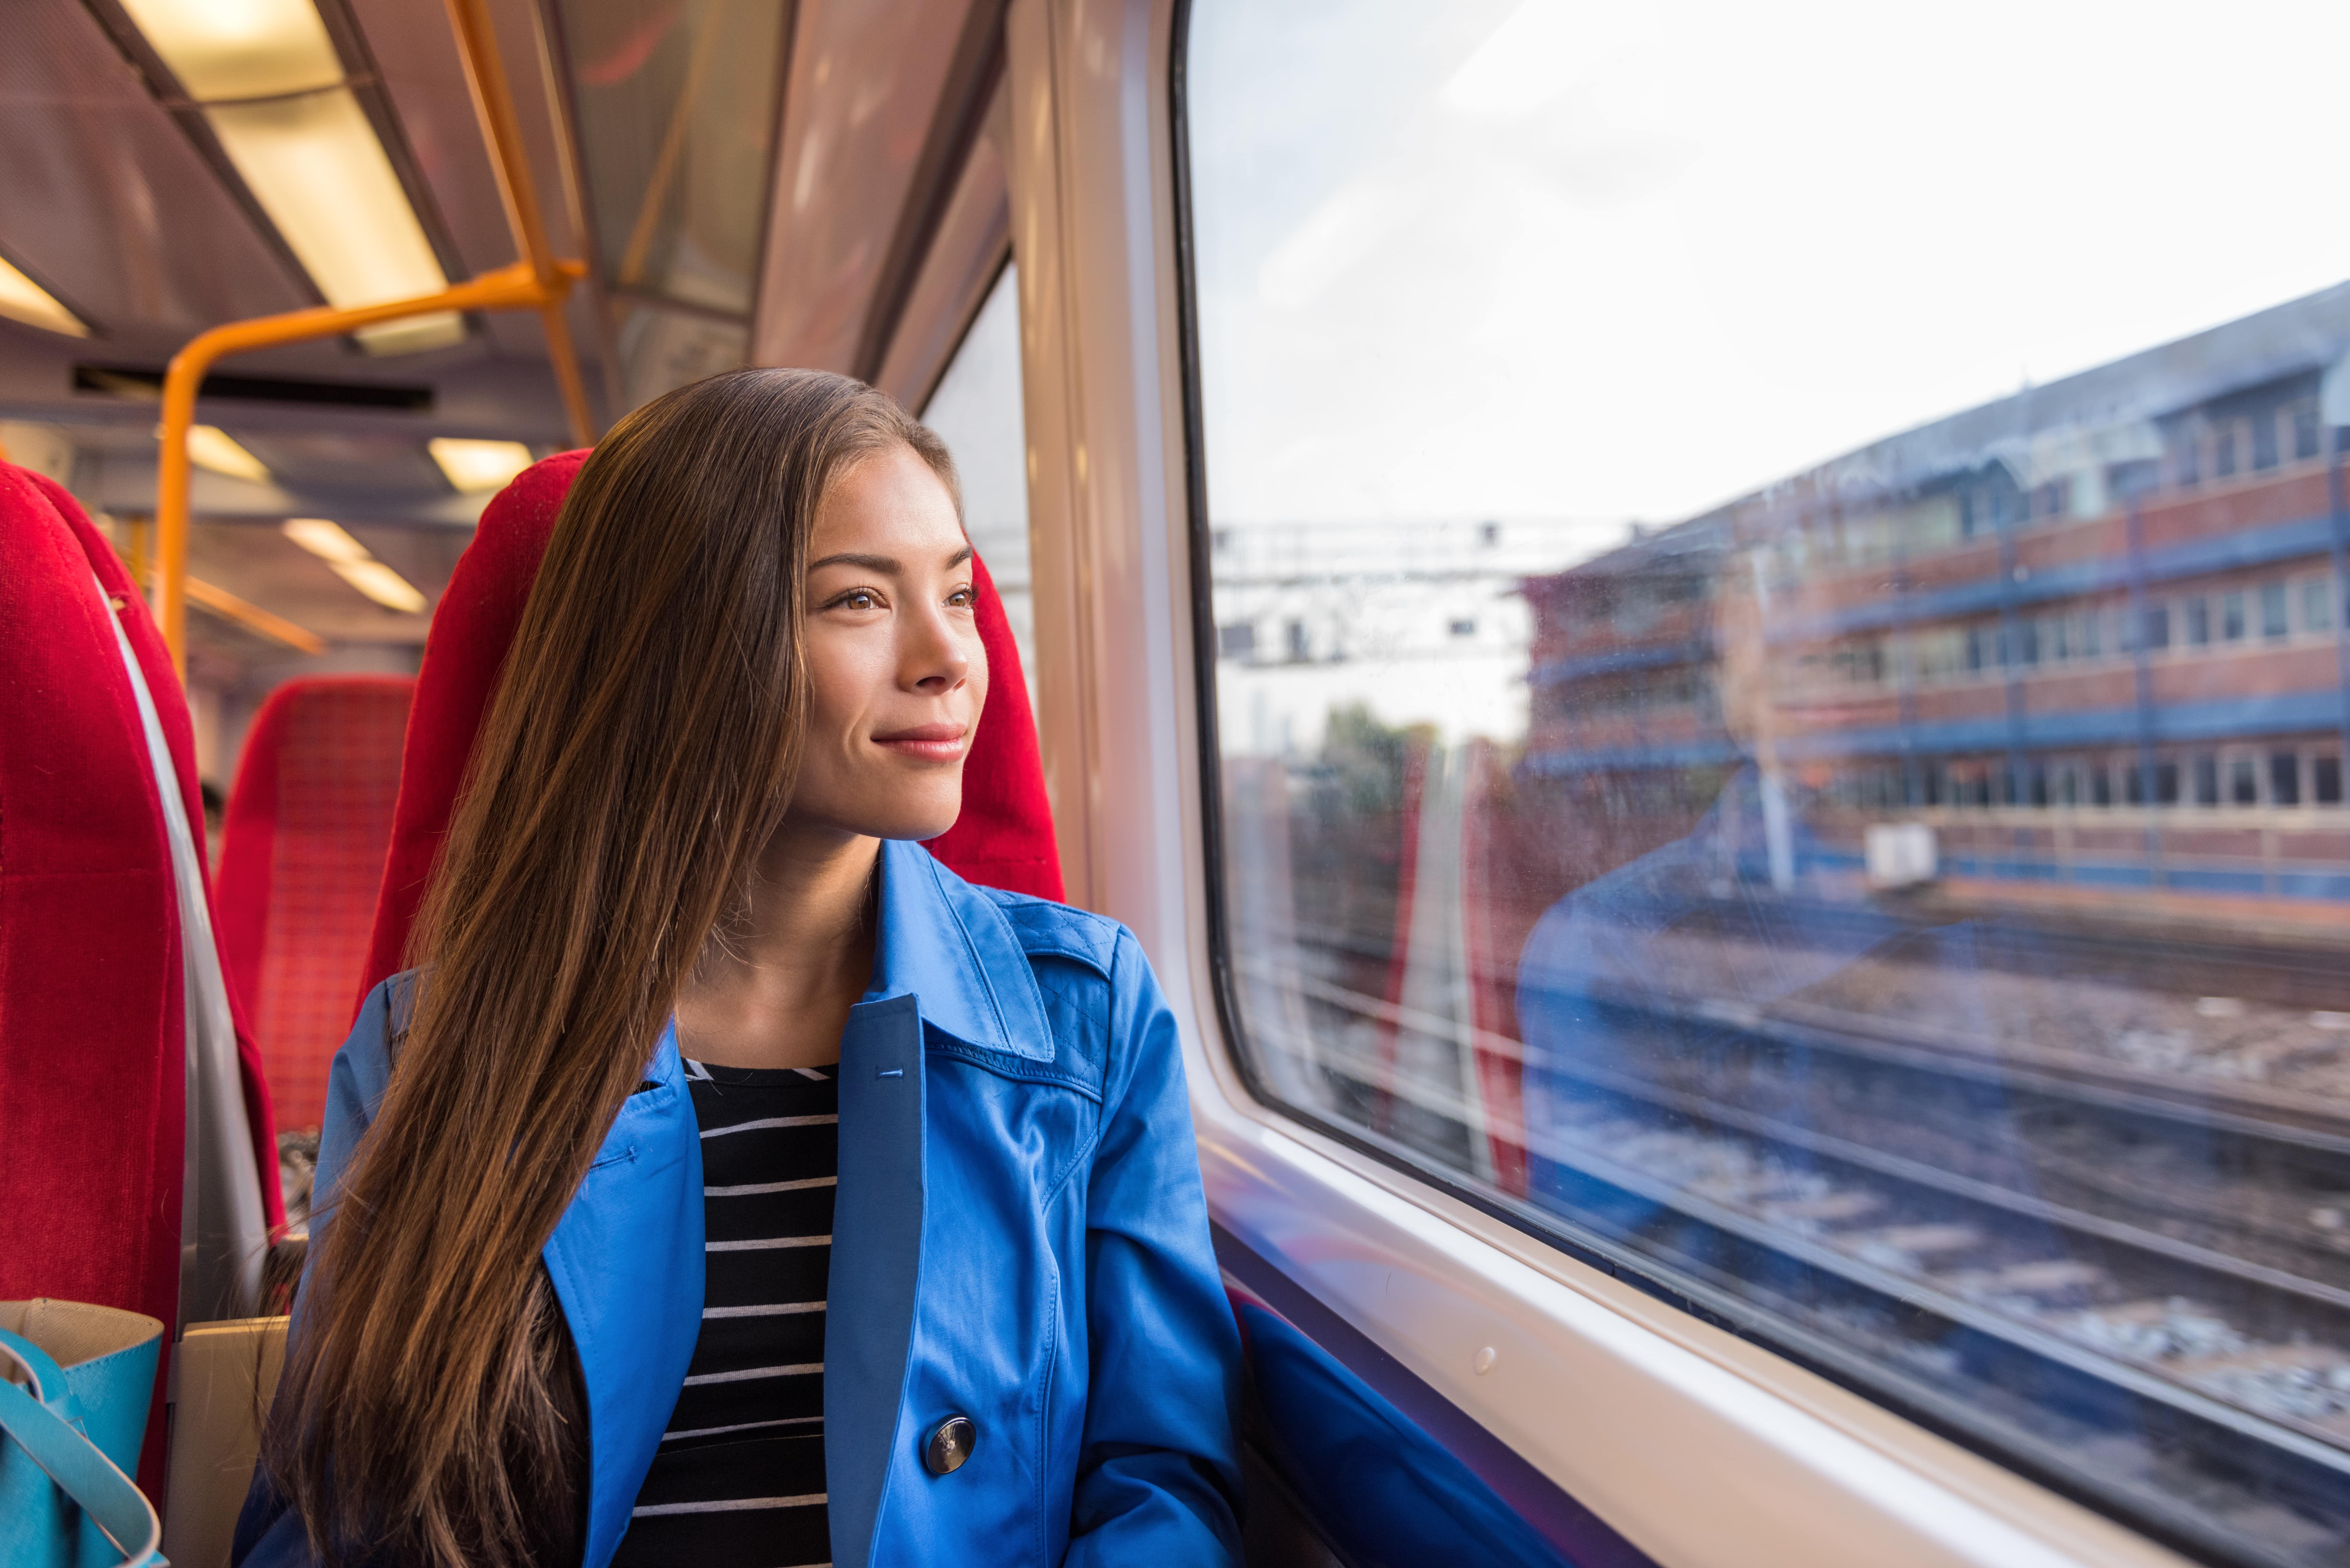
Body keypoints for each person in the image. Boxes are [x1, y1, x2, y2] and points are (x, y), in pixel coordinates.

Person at [232, 369, 1243, 1568]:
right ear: (687, 648)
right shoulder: (430, 1046)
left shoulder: (1090, 1016)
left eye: (960, 595)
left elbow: (1163, 1490)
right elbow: (336, 1518)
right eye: (860, 600)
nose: (950, 660)